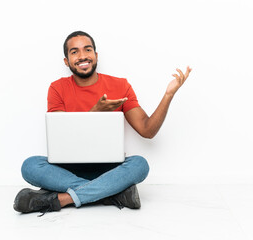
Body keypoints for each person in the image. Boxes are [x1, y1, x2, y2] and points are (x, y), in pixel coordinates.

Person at [13, 31, 192, 215]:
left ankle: (62, 199)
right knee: (30, 166)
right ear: (66, 61)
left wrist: (168, 95)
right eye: (74, 52)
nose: (82, 56)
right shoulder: (57, 88)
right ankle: (112, 194)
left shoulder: (120, 85)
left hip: (109, 170)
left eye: (87, 50)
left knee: (140, 165)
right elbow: (63, 140)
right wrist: (95, 113)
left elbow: (148, 130)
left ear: (96, 56)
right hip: (67, 170)